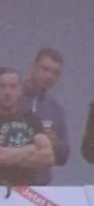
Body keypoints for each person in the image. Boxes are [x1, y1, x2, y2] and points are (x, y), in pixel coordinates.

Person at [0, 67, 56, 187]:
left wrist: (10, 156)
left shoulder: (31, 120)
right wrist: (32, 149)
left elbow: (49, 157)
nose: (8, 92)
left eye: (13, 87)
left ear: (20, 90)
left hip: (28, 192)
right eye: (2, 87)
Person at [16, 48, 69, 185]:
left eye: (55, 73)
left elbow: (63, 158)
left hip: (41, 188)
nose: (49, 76)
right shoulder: (11, 98)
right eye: (45, 69)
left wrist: (54, 142)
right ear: (33, 67)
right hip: (8, 183)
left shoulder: (55, 109)